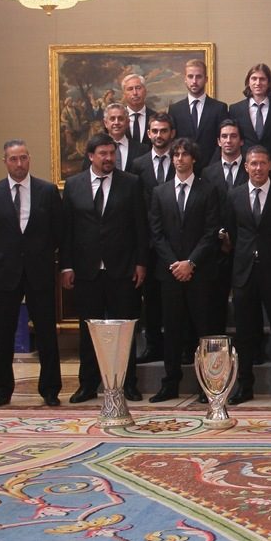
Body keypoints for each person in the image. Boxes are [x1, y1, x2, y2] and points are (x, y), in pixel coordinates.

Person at [61, 133, 147, 403]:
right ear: (90, 156)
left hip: (122, 269)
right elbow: (67, 231)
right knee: (89, 330)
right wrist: (66, 266)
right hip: (87, 271)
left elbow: (140, 227)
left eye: (112, 154)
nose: (110, 158)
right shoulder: (74, 185)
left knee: (124, 331)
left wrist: (141, 262)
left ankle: (127, 383)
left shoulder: (131, 183)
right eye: (104, 154)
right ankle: (88, 384)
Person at [0, 140, 63, 408]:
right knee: (3, 332)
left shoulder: (47, 191)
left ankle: (50, 389)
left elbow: (58, 230)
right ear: (5, 161)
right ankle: (2, 389)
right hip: (6, 272)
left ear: (29, 159)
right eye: (13, 159)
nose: (19, 164)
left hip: (39, 271)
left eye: (23, 158)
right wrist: (6, 253)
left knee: (47, 331)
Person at [147, 138, 221, 403]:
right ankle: (170, 383)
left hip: (199, 273)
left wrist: (191, 263)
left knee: (204, 329)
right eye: (175, 154)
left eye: (184, 154)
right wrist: (175, 265)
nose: (179, 159)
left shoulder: (208, 190)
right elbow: (157, 234)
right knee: (173, 330)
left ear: (194, 159)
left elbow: (211, 232)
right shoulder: (160, 192)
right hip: (169, 274)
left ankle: (207, 384)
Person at [225, 146, 271, 405]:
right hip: (245, 274)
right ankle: (245, 386)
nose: (257, 168)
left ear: (270, 166)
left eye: (262, 163)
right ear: (246, 166)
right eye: (253, 163)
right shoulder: (233, 196)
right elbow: (231, 236)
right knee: (245, 334)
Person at [129, 112, 176, 365]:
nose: (159, 136)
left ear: (172, 134)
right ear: (149, 134)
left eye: (164, 131)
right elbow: (138, 206)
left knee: (176, 299)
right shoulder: (139, 164)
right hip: (149, 242)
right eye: (155, 131)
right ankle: (153, 345)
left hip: (177, 242)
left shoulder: (181, 159)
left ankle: (179, 345)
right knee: (152, 299)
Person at [201, 120, 248, 334]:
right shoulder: (208, 173)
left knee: (246, 303)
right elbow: (206, 210)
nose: (229, 140)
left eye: (233, 136)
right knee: (215, 303)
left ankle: (250, 349)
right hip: (217, 248)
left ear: (241, 140)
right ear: (218, 141)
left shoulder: (252, 167)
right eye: (225, 136)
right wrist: (221, 236)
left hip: (245, 245)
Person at [168, 58, 228, 174]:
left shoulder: (219, 108)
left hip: (212, 170)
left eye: (198, 77)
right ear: (185, 79)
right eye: (190, 77)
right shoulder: (175, 109)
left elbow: (221, 142)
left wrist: (211, 167)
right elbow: (174, 143)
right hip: (184, 171)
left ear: (206, 79)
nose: (194, 81)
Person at [229, 63, 271, 172]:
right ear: (248, 82)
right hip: (245, 168)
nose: (258, 83)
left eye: (262, 79)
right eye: (254, 79)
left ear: (269, 83)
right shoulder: (235, 109)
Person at [84, 103, 141, 172]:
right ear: (105, 123)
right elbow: (86, 176)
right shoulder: (94, 148)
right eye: (112, 119)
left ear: (127, 123)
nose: (116, 122)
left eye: (120, 119)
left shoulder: (142, 149)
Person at [121, 73, 154, 149]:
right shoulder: (118, 120)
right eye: (130, 89)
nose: (135, 93)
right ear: (124, 94)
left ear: (145, 91)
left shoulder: (155, 117)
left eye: (138, 88)